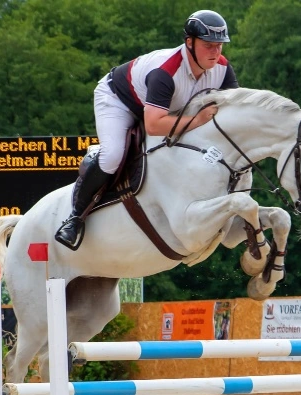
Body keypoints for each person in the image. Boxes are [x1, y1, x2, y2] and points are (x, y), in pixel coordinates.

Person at [55, 10, 240, 250]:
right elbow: (153, 126)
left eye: (219, 46)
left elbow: (233, 112)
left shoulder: (223, 69)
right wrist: (197, 119)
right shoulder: (166, 72)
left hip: (162, 110)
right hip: (119, 100)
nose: (215, 53)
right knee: (113, 156)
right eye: (208, 45)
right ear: (189, 43)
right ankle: (75, 217)